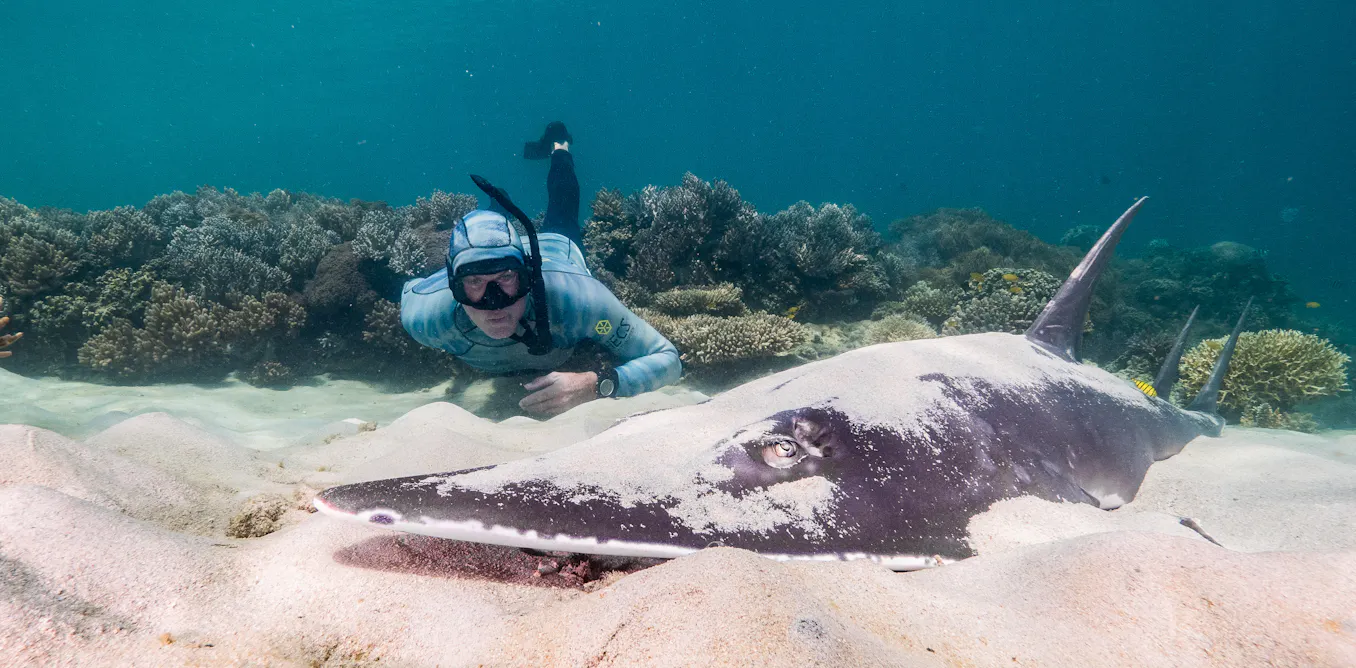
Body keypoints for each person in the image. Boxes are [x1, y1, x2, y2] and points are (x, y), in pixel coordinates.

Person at [400, 122, 681, 416]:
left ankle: (559, 145)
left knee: (563, 205)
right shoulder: (427, 317)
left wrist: (596, 385)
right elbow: (411, 290)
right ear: (453, 286)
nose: (493, 302)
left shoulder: (580, 302)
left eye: (507, 278)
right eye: (474, 282)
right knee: (496, 220)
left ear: (529, 276)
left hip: (557, 249)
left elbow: (667, 359)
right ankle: (498, 204)